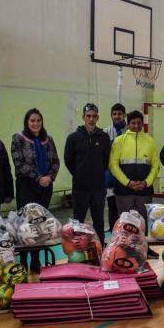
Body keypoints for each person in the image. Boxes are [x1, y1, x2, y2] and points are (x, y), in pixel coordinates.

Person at [11, 108, 61, 273]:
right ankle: (23, 260)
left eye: (38, 121)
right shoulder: (18, 138)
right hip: (27, 185)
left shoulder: (49, 139)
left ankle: (36, 260)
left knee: (40, 224)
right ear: (27, 122)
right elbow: (19, 164)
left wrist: (49, 177)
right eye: (32, 121)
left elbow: (55, 162)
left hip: (45, 186)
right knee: (25, 225)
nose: (35, 123)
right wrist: (39, 177)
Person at [109, 110, 160, 258]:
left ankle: (144, 250)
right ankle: (123, 251)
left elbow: (155, 165)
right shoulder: (119, 141)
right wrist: (128, 182)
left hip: (144, 190)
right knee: (124, 223)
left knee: (142, 222)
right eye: (133, 123)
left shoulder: (149, 141)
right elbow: (113, 165)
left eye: (139, 123)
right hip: (124, 190)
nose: (136, 125)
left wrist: (146, 182)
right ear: (128, 124)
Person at [64, 103, 110, 245]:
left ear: (98, 118)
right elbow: (68, 160)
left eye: (94, 116)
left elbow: (105, 161)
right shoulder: (73, 138)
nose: (91, 119)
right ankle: (76, 250)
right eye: (88, 116)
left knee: (99, 221)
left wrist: (96, 174)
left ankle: (100, 248)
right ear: (83, 117)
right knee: (78, 222)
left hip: (98, 188)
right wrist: (79, 175)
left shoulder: (104, 137)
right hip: (80, 188)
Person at [103, 103, 127, 232]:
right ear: (111, 115)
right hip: (110, 177)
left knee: (126, 209)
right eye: (114, 114)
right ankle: (113, 237)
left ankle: (126, 235)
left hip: (127, 178)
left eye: (119, 114)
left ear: (124, 115)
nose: (117, 116)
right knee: (112, 208)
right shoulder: (105, 132)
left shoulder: (130, 132)